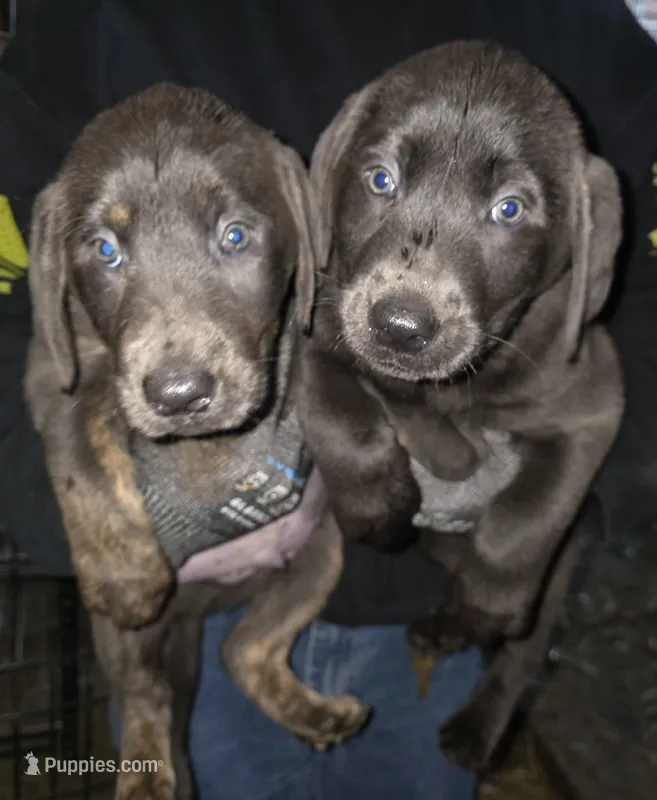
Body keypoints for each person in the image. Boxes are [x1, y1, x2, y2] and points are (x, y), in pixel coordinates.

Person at [2, 1, 657, 798]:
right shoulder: (87, 22)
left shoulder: (576, 25)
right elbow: (18, 305)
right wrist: (89, 522)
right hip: (190, 602)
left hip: (428, 616)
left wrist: (545, 520)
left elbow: (643, 296)